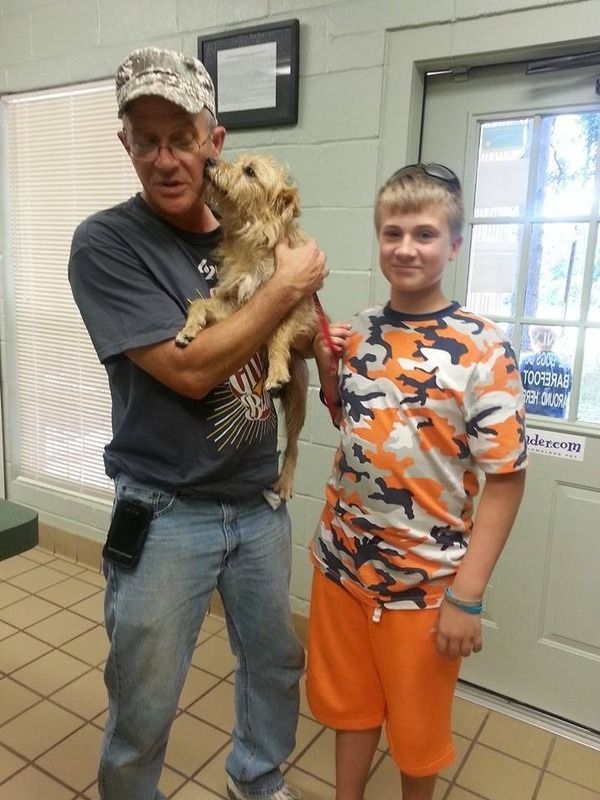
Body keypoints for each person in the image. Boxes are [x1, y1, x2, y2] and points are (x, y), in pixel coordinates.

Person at [68, 47, 327, 800]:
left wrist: (308, 315)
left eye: (181, 137)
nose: (165, 158)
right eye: (145, 140)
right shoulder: (107, 244)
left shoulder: (248, 229)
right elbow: (188, 370)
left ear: (214, 144)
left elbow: (309, 328)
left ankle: (258, 778)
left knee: (275, 667)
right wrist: (284, 292)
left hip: (258, 504)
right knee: (145, 698)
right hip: (164, 510)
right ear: (126, 146)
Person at [308, 164, 527, 800]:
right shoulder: (361, 331)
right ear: (378, 238)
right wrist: (326, 365)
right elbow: (354, 428)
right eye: (392, 232)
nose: (406, 247)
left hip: (426, 587)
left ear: (454, 245)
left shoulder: (483, 348)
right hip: (342, 565)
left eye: (425, 234)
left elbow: (506, 480)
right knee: (349, 709)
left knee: (416, 733)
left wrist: (468, 595)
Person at [519, 325, 572, 418]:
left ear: (535, 340)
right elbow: (568, 389)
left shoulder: (527, 363)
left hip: (530, 418)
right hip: (557, 419)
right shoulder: (565, 366)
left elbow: (517, 389)